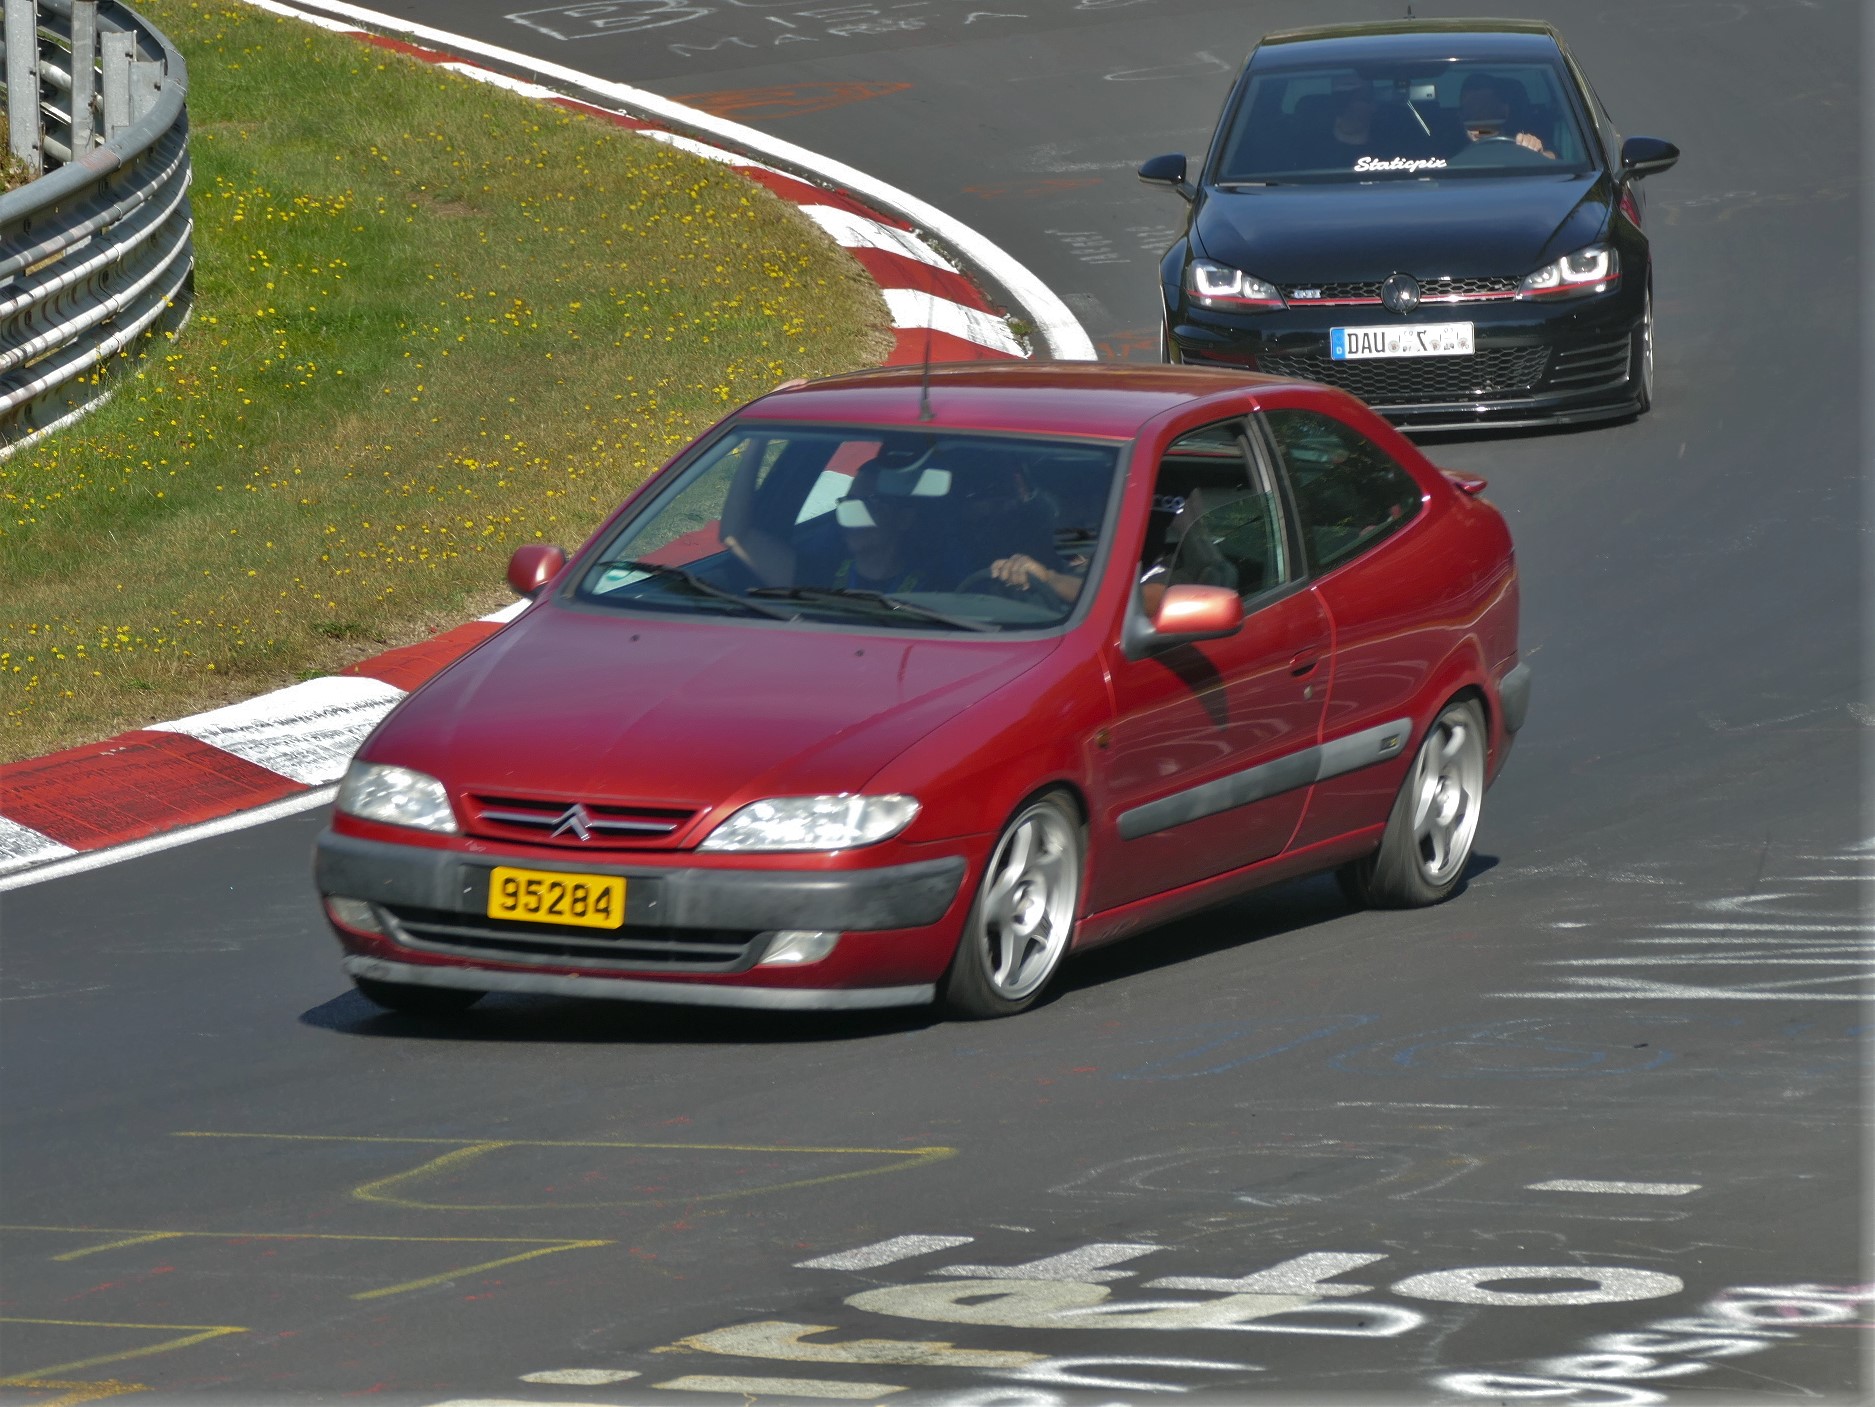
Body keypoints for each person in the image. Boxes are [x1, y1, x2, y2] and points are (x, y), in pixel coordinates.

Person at [721, 452, 940, 593]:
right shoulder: (822, 574)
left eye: (868, 503)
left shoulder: (931, 590)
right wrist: (757, 441)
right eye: (847, 502)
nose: (849, 514)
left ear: (903, 519)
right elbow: (735, 535)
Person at [1457, 73, 1555, 158]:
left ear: (1504, 110)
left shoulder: (1520, 139)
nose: (1476, 115)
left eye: (1484, 107)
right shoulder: (1450, 145)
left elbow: (1553, 158)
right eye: (1469, 108)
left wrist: (1537, 151)